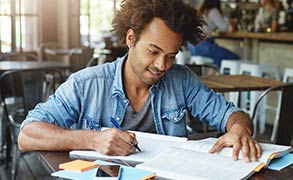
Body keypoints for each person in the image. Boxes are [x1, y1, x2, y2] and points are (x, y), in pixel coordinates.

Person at [18, 0, 261, 163]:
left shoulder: (182, 79)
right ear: (131, 38)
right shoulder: (86, 83)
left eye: (170, 56)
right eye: (153, 51)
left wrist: (239, 130)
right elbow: (27, 135)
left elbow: (233, 114)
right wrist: (92, 139)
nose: (161, 66)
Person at [188, 0, 240, 69]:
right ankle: (220, 75)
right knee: (232, 57)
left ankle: (214, 73)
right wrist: (225, 16)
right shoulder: (213, 11)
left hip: (192, 47)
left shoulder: (202, 10)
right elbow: (224, 28)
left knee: (218, 56)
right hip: (203, 46)